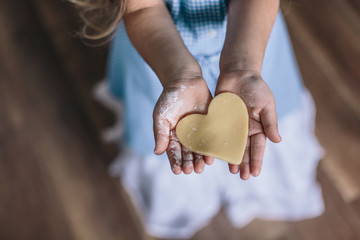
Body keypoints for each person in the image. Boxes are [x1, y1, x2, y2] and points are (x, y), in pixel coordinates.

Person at [73, 0, 325, 238]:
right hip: (160, 54)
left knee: (250, 125)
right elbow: (142, 9)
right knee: (185, 137)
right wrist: (178, 75)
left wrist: (243, 67)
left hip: (251, 41)